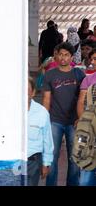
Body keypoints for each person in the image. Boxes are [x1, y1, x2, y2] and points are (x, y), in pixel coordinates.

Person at [42, 42, 86, 186]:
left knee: (74, 158)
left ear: (72, 57)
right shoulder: (50, 74)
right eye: (61, 54)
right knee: (51, 157)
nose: (63, 58)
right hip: (55, 120)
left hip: (74, 121)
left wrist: (81, 118)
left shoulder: (79, 74)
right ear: (56, 55)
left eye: (66, 55)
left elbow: (83, 99)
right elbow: (47, 99)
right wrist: (44, 120)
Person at [27, 76, 54, 186]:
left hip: (33, 162)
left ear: (33, 93)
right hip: (12, 162)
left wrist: (46, 163)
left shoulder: (42, 113)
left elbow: (47, 140)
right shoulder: (9, 112)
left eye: (26, 90)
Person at [76, 48, 96, 186]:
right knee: (85, 179)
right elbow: (80, 102)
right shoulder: (88, 80)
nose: (93, 62)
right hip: (89, 132)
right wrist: (83, 122)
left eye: (95, 59)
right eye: (92, 59)